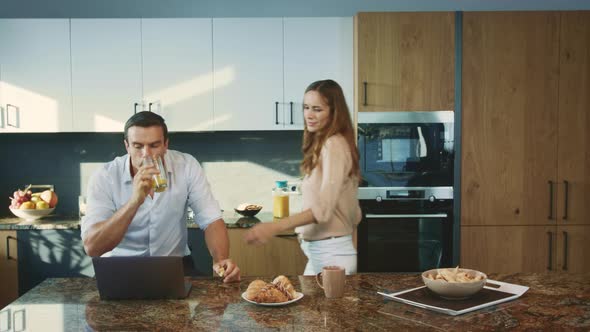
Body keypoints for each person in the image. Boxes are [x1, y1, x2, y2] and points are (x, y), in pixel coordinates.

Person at [81, 111, 240, 283]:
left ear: (166, 145)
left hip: (174, 265)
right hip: (118, 266)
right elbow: (92, 247)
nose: (146, 154)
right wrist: (135, 201)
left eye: (154, 145)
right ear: (127, 146)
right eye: (138, 146)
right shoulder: (105, 177)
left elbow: (211, 219)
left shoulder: (187, 166)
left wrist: (220, 259)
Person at [244, 79, 361, 275]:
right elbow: (355, 214)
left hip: (331, 256)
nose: (309, 115)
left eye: (317, 109)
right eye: (306, 107)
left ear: (334, 112)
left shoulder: (333, 145)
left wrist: (274, 227)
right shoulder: (328, 145)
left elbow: (322, 210)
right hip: (323, 254)